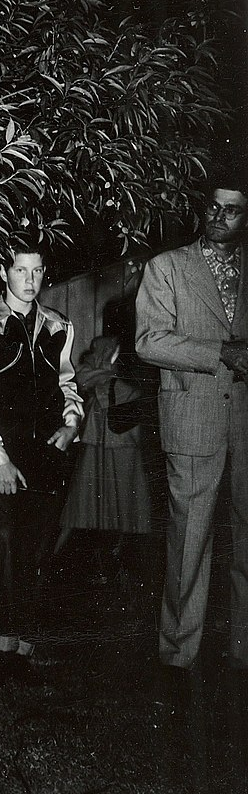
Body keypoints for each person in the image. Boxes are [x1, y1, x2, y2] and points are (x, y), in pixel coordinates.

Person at [135, 174, 248, 696]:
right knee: (189, 541)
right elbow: (149, 342)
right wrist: (218, 354)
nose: (219, 217)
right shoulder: (167, 268)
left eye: (232, 210)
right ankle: (177, 657)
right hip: (193, 421)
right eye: (213, 207)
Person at [0, 241, 82, 694]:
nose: (30, 280)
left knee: (35, 552)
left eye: (37, 271)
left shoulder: (59, 326)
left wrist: (70, 425)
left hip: (47, 457)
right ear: (4, 274)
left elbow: (68, 384)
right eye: (21, 271)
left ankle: (23, 656)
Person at [57, 336, 152, 583]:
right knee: (94, 510)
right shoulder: (100, 366)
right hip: (101, 448)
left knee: (124, 508)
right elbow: (86, 380)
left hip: (125, 448)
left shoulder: (126, 367)